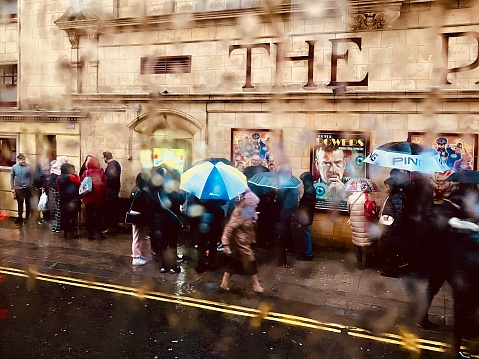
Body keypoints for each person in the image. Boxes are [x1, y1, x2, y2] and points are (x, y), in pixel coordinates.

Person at [220, 188, 263, 293]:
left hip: (242, 242)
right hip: (239, 243)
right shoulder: (239, 212)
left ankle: (224, 284)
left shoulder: (248, 212)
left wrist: (253, 218)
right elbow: (229, 228)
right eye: (253, 204)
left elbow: (248, 226)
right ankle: (256, 285)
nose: (255, 206)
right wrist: (225, 244)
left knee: (233, 263)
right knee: (250, 262)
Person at [149, 167, 185, 274]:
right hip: (172, 222)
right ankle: (173, 267)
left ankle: (163, 266)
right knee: (172, 244)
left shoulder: (156, 193)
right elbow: (181, 201)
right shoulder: (173, 193)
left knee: (163, 244)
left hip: (160, 222)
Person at [378, 173, 409, 278]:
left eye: (388, 186)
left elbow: (398, 213)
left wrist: (395, 227)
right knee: (392, 250)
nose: (387, 188)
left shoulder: (396, 197)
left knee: (393, 251)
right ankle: (392, 269)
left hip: (394, 229)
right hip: (392, 228)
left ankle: (393, 271)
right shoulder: (393, 196)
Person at [347, 187, 379, 270]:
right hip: (366, 224)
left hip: (355, 223)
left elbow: (349, 210)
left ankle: (359, 263)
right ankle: (368, 263)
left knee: (356, 243)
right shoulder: (369, 196)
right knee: (368, 243)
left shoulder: (351, 197)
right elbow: (374, 209)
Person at [81, 156, 107, 240]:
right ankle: (99, 234)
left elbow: (82, 183)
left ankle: (90, 234)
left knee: (90, 216)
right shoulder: (101, 172)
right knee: (99, 217)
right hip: (98, 198)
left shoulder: (86, 172)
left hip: (88, 198)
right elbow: (104, 185)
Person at [130, 171, 151, 266]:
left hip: (134, 214)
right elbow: (145, 205)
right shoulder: (142, 192)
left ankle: (138, 254)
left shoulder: (135, 189)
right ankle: (136, 257)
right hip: (139, 215)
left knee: (138, 236)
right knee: (137, 237)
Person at [295, 172, 316, 261]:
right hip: (307, 215)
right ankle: (308, 253)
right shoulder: (310, 188)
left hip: (305, 216)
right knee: (305, 234)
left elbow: (304, 206)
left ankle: (308, 254)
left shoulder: (309, 190)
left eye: (303, 180)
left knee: (306, 234)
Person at [57, 163, 81, 239]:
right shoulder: (71, 177)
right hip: (71, 201)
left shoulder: (59, 177)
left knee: (66, 218)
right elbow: (78, 182)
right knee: (72, 217)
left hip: (63, 200)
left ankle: (66, 233)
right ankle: (70, 232)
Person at [10, 153, 34, 225]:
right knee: (20, 203)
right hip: (18, 188)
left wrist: (31, 186)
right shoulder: (14, 167)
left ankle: (27, 217)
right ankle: (20, 216)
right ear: (18, 160)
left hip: (27, 187)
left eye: (24, 160)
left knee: (28, 203)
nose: (23, 161)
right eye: (21, 160)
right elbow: (11, 177)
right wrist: (12, 188)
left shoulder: (29, 167)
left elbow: (32, 177)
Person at [102, 151, 121, 233]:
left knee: (110, 210)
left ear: (105, 158)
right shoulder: (116, 164)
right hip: (114, 190)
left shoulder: (111, 165)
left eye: (103, 157)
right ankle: (113, 226)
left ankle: (111, 227)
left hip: (111, 191)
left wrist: (104, 180)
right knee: (113, 209)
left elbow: (111, 179)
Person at [49, 156, 68, 233]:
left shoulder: (53, 169)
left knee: (54, 210)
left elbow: (50, 182)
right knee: (58, 210)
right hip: (58, 192)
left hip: (52, 192)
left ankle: (55, 227)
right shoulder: (61, 171)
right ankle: (58, 226)